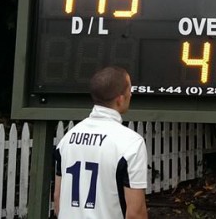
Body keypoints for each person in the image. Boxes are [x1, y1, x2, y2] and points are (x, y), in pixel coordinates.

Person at [53, 66, 148, 219]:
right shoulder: (131, 143)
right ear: (120, 99)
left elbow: (58, 200)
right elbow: (135, 214)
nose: (131, 93)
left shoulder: (67, 138)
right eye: (129, 89)